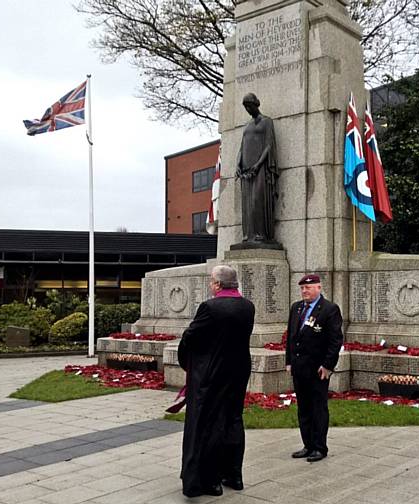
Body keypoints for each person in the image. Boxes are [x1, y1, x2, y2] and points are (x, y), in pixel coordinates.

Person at [177, 265, 255, 497]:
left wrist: (188, 360)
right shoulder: (248, 306)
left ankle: (210, 481)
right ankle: (234, 474)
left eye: (212, 281)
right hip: (239, 371)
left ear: (219, 284)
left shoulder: (210, 307)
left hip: (213, 374)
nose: (210, 285)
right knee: (233, 420)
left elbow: (191, 336)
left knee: (210, 424)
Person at [285, 274, 343, 462]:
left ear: (318, 288)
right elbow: (291, 338)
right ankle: (307, 444)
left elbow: (335, 341)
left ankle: (319, 447)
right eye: (302, 288)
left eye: (308, 288)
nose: (304, 291)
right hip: (299, 368)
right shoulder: (297, 308)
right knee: (303, 408)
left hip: (318, 369)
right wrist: (289, 361)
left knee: (318, 408)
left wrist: (327, 365)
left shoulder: (329, 310)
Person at [235, 92, 279, 246]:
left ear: (256, 104)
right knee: (247, 204)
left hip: (260, 169)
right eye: (245, 107)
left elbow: (268, 145)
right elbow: (242, 147)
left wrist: (259, 164)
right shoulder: (247, 126)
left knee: (257, 201)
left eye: (249, 105)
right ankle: (249, 234)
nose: (248, 109)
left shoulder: (267, 122)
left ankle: (261, 234)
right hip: (246, 170)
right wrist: (238, 164)